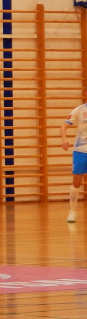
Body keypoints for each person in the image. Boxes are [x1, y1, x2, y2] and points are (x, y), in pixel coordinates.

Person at [60, 90, 87, 223]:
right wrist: (64, 140)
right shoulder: (79, 110)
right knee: (77, 182)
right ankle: (73, 211)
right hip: (81, 151)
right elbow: (63, 127)